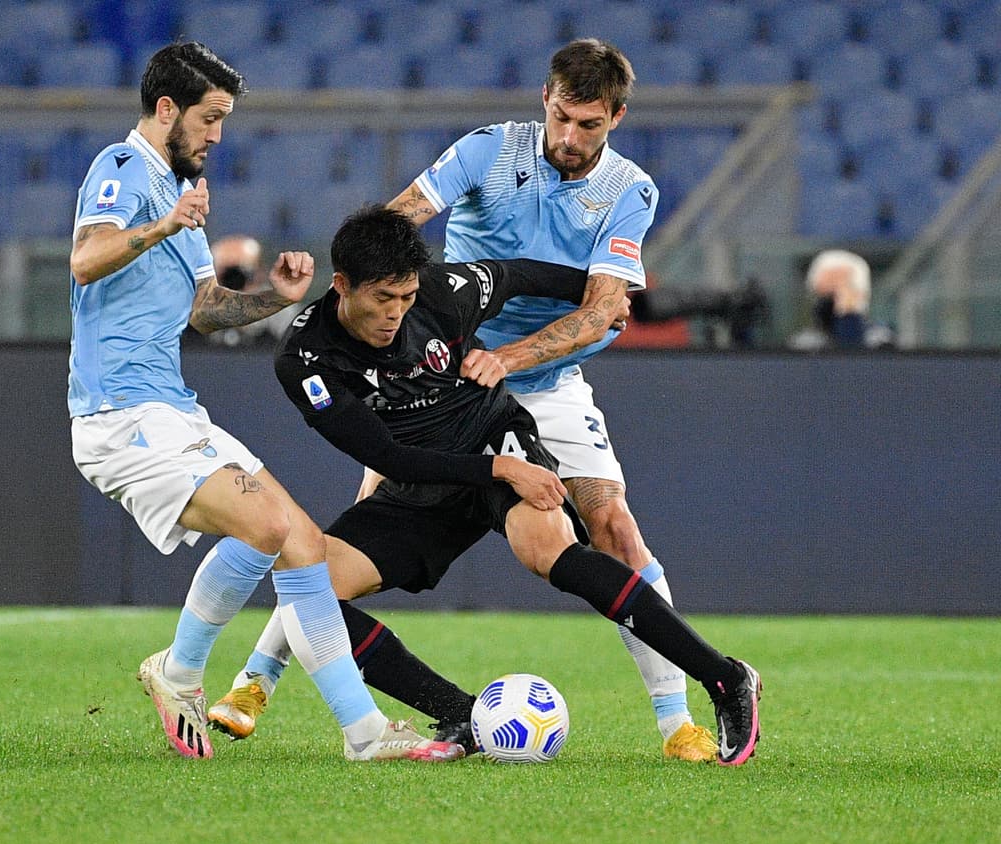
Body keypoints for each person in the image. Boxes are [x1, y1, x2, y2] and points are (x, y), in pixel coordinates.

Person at [209, 207, 762, 766]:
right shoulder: (305, 358)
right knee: (315, 590)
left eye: (405, 298)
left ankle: (724, 678)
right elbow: (385, 455)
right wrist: (502, 471)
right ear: (342, 286)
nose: (396, 314)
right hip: (427, 474)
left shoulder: (443, 292)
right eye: (382, 300)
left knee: (548, 548)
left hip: (492, 436)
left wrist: (600, 297)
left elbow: (521, 274)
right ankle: (461, 713)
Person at [67, 42, 462, 763]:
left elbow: (203, 310)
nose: (217, 135)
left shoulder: (178, 191)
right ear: (166, 110)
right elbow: (87, 259)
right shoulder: (122, 170)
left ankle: (364, 732)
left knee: (303, 543)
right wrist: (165, 223)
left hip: (172, 409)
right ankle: (180, 670)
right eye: (209, 118)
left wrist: (273, 298)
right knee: (267, 523)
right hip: (119, 414)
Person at [380, 37, 722, 761]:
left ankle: (678, 721)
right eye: (562, 117)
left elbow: (604, 312)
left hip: (545, 383)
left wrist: (509, 357)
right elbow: (400, 218)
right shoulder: (489, 151)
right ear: (545, 98)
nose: (569, 138)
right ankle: (256, 680)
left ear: (617, 118)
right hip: (447, 379)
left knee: (616, 529)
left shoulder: (630, 191)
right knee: (360, 524)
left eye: (589, 125)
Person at [201, 234, 296, 347]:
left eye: (241, 273)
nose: (234, 282)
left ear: (260, 273)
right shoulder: (193, 309)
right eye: (227, 276)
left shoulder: (280, 311)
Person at [788, 248, 892, 350]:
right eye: (825, 294)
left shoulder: (881, 341)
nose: (831, 302)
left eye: (838, 293)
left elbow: (855, 360)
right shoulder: (803, 344)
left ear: (860, 294)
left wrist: (848, 314)